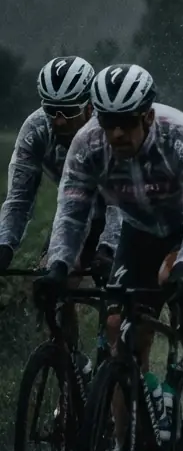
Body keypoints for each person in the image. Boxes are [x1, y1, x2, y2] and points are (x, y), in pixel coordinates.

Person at [37, 66, 183, 451]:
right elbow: (71, 213)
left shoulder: (181, 136)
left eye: (126, 122)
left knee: (173, 283)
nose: (116, 133)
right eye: (108, 122)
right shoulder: (88, 144)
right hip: (139, 232)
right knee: (119, 328)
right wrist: (58, 267)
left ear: (147, 116)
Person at [2, 57, 118, 359]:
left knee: (119, 303)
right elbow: (18, 198)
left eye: (68, 110)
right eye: (51, 109)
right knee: (50, 284)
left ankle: (117, 364)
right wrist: (4, 245)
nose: (59, 120)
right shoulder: (36, 129)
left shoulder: (109, 132)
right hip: (77, 217)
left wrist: (107, 248)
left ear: (90, 105)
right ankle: (71, 362)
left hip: (123, 214)